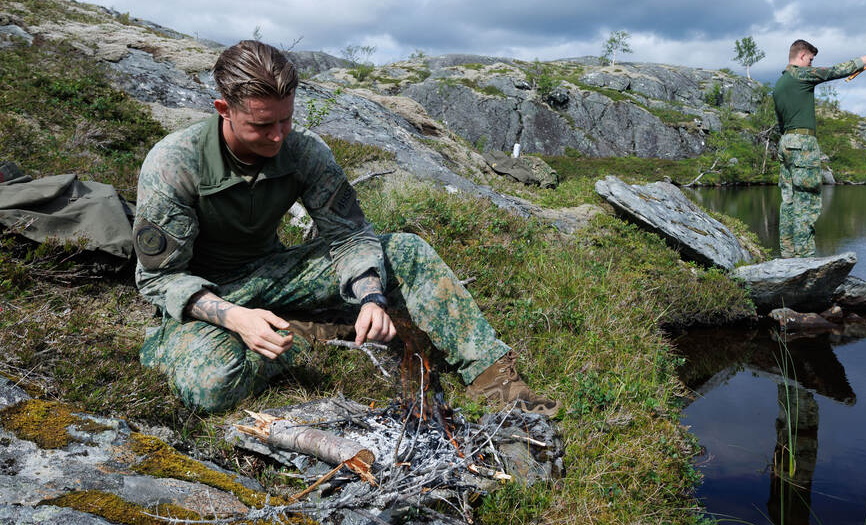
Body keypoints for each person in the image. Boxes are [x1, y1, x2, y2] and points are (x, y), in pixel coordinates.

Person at [132, 39, 556, 415]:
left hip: (273, 272)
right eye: (261, 125)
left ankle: (495, 380)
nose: (278, 137)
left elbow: (349, 234)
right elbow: (159, 279)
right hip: (209, 294)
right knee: (210, 384)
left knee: (405, 250)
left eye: (286, 120)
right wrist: (236, 319)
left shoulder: (304, 152)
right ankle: (292, 334)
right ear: (223, 109)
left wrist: (371, 298)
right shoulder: (175, 163)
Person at [772, 39, 866, 258]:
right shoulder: (800, 74)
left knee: (788, 201)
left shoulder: (779, 84)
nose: (811, 64)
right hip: (802, 144)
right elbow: (834, 71)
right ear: (803, 56)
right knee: (806, 200)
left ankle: (788, 254)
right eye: (811, 60)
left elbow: (780, 123)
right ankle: (804, 259)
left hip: (785, 143)